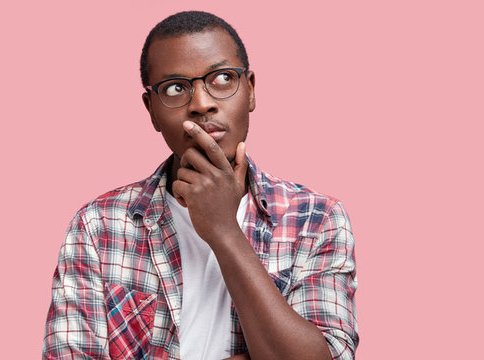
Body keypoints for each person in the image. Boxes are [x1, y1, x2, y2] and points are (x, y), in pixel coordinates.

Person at [42, 11, 358, 360]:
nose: (202, 104)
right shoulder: (98, 225)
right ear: (151, 110)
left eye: (222, 78)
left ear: (250, 90)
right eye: (175, 88)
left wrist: (224, 231)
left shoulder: (316, 219)